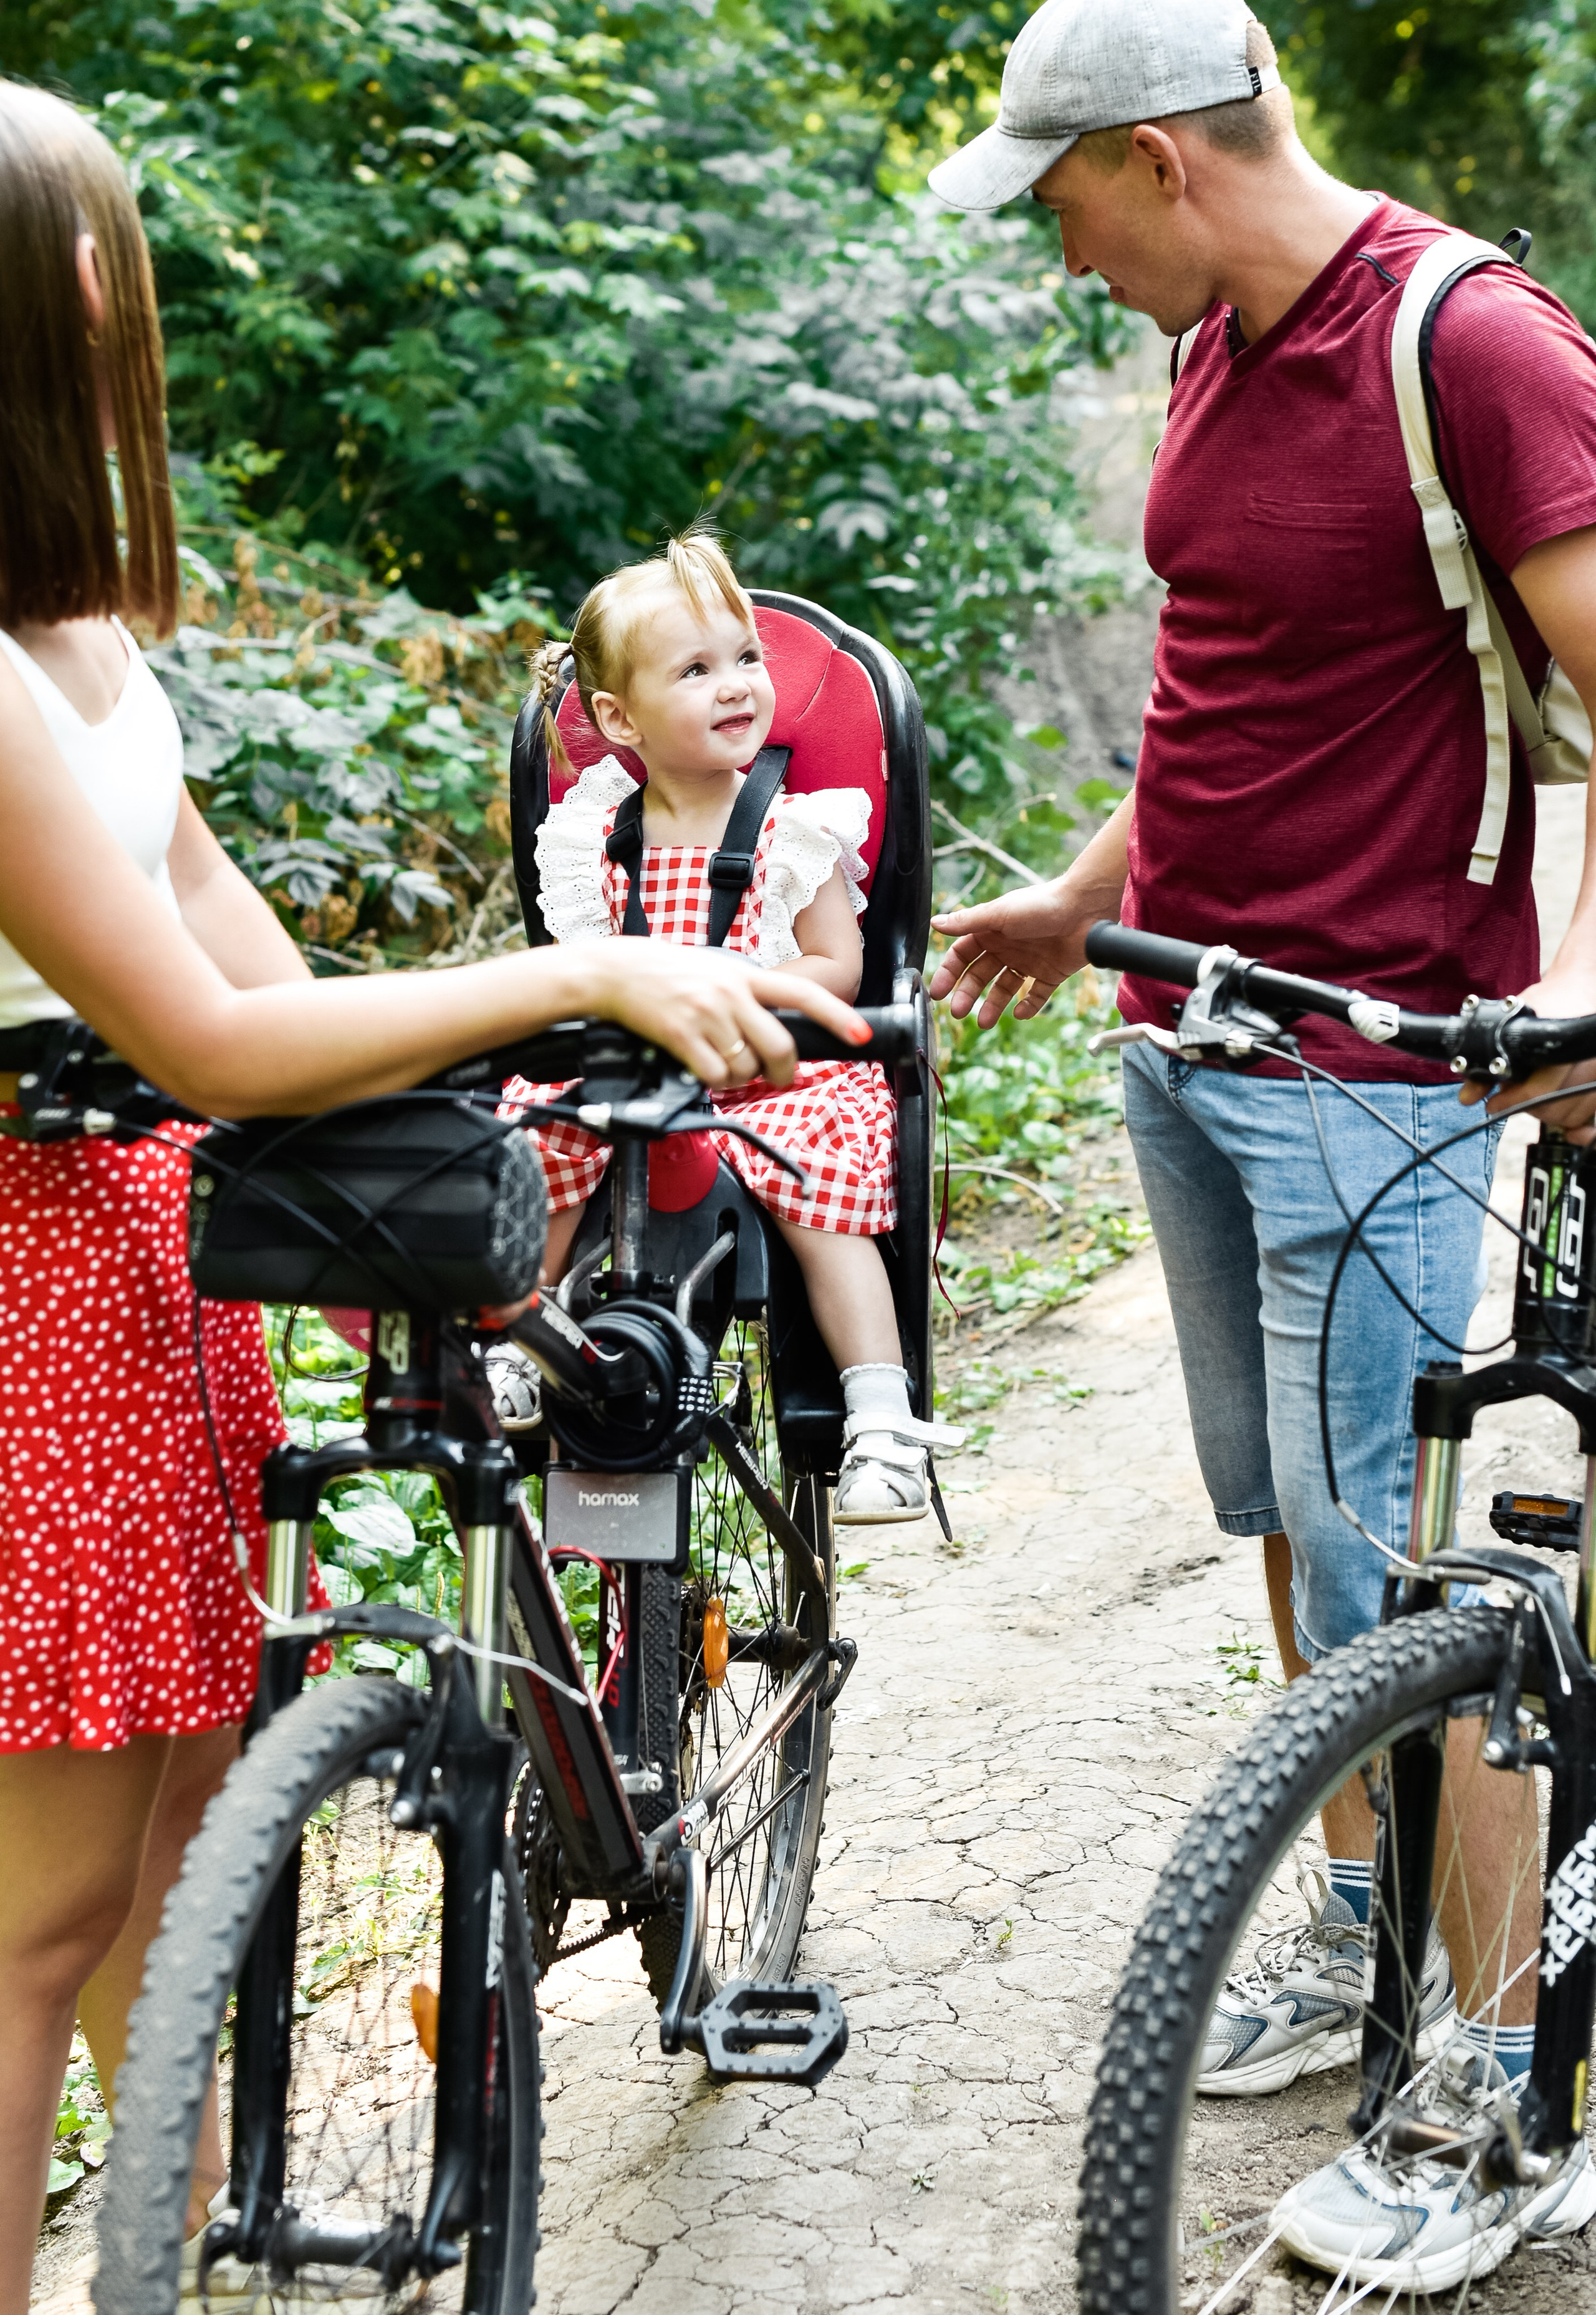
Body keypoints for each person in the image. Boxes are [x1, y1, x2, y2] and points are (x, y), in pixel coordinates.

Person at [0, 84, 865, 2311]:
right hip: (30, 1281)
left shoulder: (82, 637)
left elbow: (262, 982)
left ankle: (161, 2266)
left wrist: (589, 1017)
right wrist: (584, 957)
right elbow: (202, 1043)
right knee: (29, 1927)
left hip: (149, 1267)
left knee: (180, 1862)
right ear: (84, 286)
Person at [925, 0, 1596, 2278]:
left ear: (1167, 161)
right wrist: (1089, 892)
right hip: (1185, 1032)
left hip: (1375, 1072)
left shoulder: (1471, 345)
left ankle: (1502, 2079)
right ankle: (1349, 1914)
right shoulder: (1220, 332)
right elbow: (1254, 675)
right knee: (1296, 1540)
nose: (1058, 250)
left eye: (1062, 203)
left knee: (1418, 1583)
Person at [495, 528, 958, 1521]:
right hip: (632, 1059)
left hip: (767, 1062)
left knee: (815, 1181)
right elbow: (572, 959)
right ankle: (518, 1347)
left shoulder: (796, 825)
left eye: (746, 658)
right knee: (541, 1133)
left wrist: (739, 983)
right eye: (697, 669)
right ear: (618, 717)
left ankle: (878, 1411)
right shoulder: (593, 830)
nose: (738, 684)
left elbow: (837, 959)